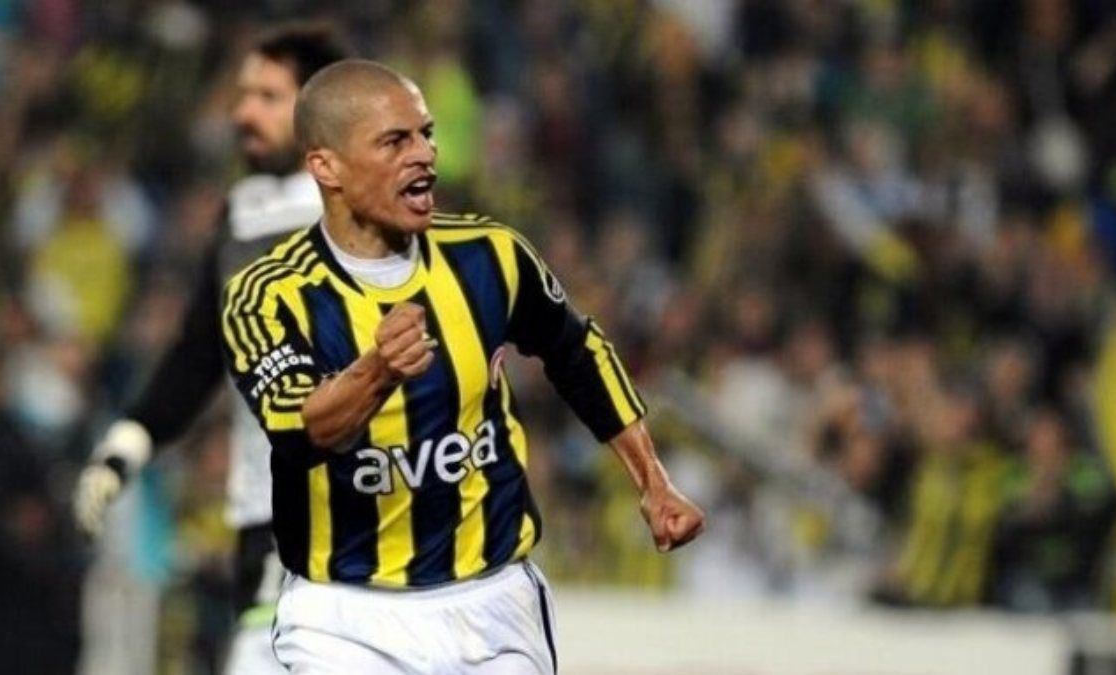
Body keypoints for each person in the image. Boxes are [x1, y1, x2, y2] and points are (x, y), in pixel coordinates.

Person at [219, 59, 705, 673]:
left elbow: (578, 354)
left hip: (493, 603)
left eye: (425, 134)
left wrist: (653, 482)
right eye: (395, 141)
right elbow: (300, 429)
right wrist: (378, 372)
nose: (424, 154)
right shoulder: (267, 295)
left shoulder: (490, 256)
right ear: (326, 166)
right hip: (343, 617)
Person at [71, 24, 348, 674]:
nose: (243, 111)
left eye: (267, 96)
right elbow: (200, 349)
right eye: (243, 94)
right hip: (263, 515)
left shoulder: (365, 214)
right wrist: (129, 442)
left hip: (355, 514)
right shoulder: (243, 212)